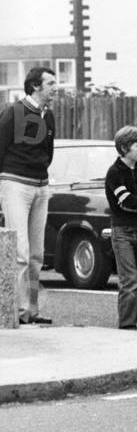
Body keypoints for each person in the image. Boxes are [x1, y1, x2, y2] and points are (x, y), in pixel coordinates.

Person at [0, 66, 57, 325]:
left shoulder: (49, 115)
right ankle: (18, 311)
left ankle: (32, 309)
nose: (55, 88)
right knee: (20, 252)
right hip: (15, 184)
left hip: (41, 186)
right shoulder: (14, 111)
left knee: (37, 255)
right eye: (51, 83)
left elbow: (49, 151)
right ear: (35, 86)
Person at [104, 126, 137, 330]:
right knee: (130, 281)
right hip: (123, 232)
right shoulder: (114, 173)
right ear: (125, 147)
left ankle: (135, 323)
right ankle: (126, 326)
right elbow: (125, 202)